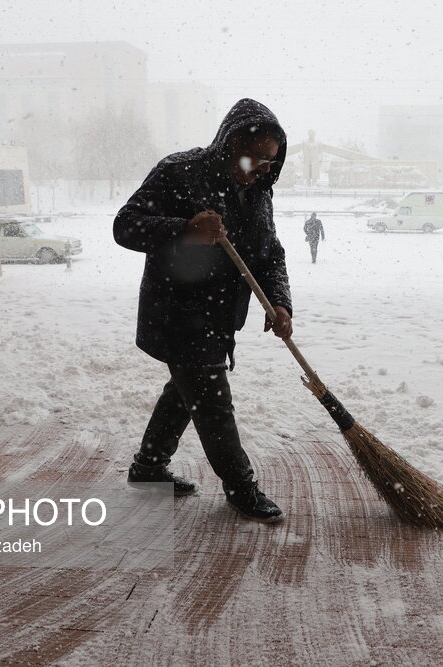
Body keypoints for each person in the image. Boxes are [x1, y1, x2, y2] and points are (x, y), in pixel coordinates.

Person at [113, 98, 293, 524]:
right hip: (176, 314)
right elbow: (125, 225)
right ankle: (241, 487)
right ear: (231, 143)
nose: (265, 169)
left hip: (219, 318)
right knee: (211, 400)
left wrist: (281, 301)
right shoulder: (180, 172)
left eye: (273, 161)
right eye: (258, 158)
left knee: (184, 391)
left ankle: (148, 467)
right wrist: (185, 230)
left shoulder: (257, 192)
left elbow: (270, 255)